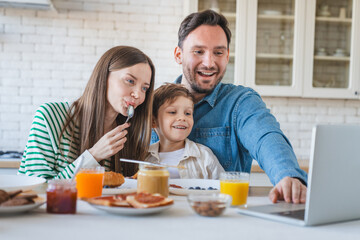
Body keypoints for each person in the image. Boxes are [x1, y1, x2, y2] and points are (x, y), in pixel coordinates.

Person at [151, 10, 307, 204]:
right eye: (198, 51)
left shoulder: (241, 102)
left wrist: (287, 176)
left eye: (218, 52)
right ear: (178, 55)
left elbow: (266, 138)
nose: (209, 63)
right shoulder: (151, 104)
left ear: (227, 56)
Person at [19, 46, 155, 180]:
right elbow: (38, 191)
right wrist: (93, 156)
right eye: (130, 81)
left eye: (144, 88)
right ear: (104, 77)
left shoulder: (128, 135)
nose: (138, 94)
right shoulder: (49, 117)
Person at [147, 83, 224, 179]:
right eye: (172, 112)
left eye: (188, 113)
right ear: (154, 122)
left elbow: (223, 188)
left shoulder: (205, 156)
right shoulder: (144, 156)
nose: (182, 118)